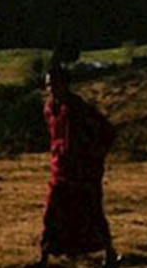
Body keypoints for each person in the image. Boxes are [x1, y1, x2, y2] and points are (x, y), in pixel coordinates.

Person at [38, 55, 118, 268]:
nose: (51, 89)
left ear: (65, 84)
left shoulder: (79, 108)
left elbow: (107, 132)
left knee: (93, 212)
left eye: (55, 84)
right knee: (52, 213)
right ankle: (44, 257)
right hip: (60, 169)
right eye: (48, 85)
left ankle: (109, 254)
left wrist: (95, 157)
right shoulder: (49, 109)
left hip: (84, 171)